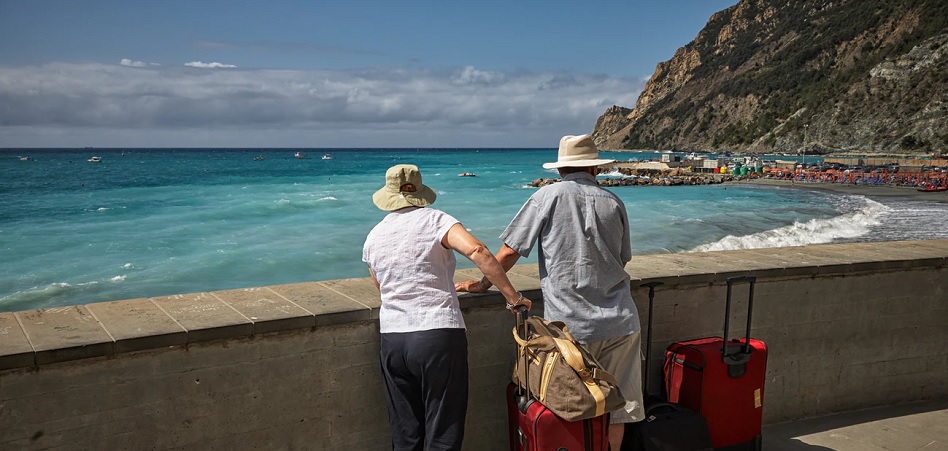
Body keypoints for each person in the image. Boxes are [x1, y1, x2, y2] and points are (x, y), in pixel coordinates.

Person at [456, 134, 643, 450]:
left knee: (570, 412)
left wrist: (481, 285)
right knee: (618, 411)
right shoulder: (613, 201)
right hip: (621, 323)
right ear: (595, 169)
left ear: (560, 170)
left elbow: (509, 252)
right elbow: (623, 258)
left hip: (570, 330)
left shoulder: (546, 197)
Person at [362, 164, 532, 451]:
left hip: (393, 339)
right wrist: (512, 297)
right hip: (437, 335)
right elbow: (478, 251)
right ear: (421, 192)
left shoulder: (374, 237)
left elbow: (382, 288)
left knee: (405, 434)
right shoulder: (437, 221)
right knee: (443, 433)